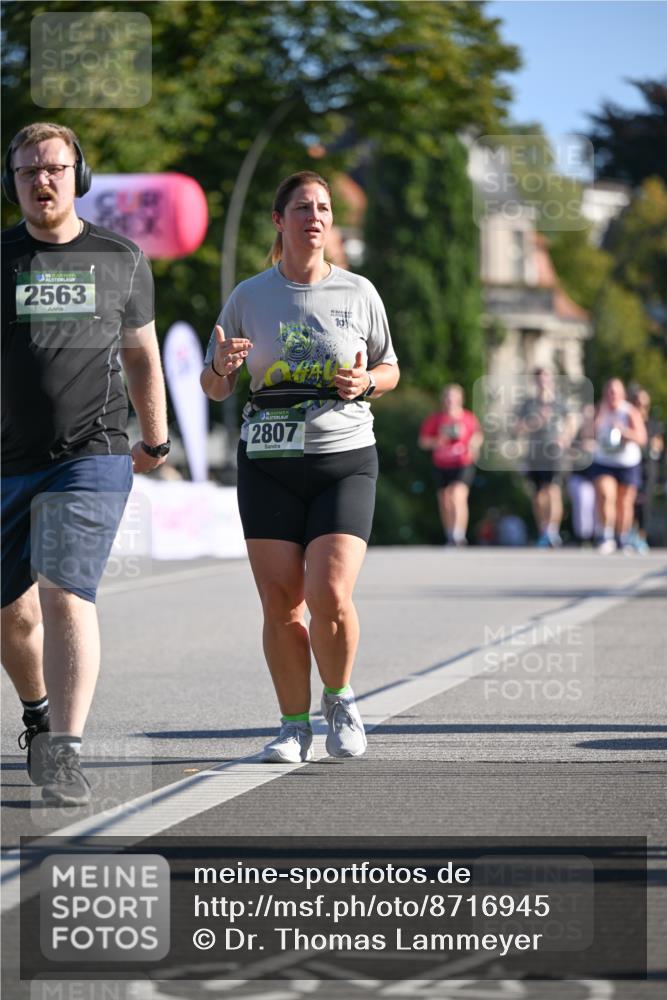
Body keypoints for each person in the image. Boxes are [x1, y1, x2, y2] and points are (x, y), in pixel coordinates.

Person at [201, 170, 399, 763]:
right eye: (303, 208)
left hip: (343, 457)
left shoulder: (359, 293)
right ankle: (293, 726)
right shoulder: (248, 296)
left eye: (324, 208)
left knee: (329, 591)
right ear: (278, 220)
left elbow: (390, 369)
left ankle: (338, 699)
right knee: (281, 601)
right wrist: (223, 366)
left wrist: (366, 380)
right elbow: (214, 389)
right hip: (267, 461)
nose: (315, 216)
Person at [1, 123, 169, 805]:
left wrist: (154, 440)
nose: (42, 181)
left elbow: (140, 355)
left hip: (91, 453)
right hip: (7, 461)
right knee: (11, 615)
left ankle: (66, 752)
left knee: (65, 590)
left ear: (80, 175)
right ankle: (39, 717)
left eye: (54, 168)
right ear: (11, 183)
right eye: (27, 171)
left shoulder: (120, 258)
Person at [516, 368, 575, 548]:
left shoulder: (560, 401)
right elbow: (518, 428)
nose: (543, 382)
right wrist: (536, 421)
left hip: (555, 453)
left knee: (553, 490)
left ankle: (553, 531)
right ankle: (543, 530)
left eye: (546, 378)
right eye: (539, 379)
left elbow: (572, 421)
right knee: (539, 495)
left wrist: (564, 439)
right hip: (535, 453)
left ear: (551, 380)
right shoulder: (529, 404)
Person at [418, 384, 483, 546]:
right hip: (442, 464)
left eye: (453, 397)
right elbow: (423, 442)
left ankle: (459, 534)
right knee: (445, 500)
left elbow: (478, 435)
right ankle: (450, 534)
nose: (449, 401)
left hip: (463, 463)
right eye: (447, 397)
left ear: (460, 399)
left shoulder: (468, 418)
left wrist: (473, 446)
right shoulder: (436, 419)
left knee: (457, 495)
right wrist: (437, 441)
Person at [589, 378, 646, 553]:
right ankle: (606, 536)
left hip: (627, 462)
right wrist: (595, 424)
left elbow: (642, 438)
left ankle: (623, 536)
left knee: (625, 502)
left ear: (623, 395)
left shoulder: (629, 412)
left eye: (615, 392)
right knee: (606, 495)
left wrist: (624, 432)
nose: (611, 395)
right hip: (604, 461)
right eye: (609, 392)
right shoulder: (600, 411)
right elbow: (587, 433)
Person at [628, 386, 664, 552]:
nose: (640, 408)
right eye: (637, 403)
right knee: (630, 503)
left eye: (643, 404)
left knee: (644, 505)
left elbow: (657, 448)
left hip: (648, 469)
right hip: (630, 467)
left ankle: (640, 537)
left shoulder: (653, 425)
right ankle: (628, 534)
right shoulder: (628, 424)